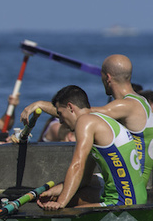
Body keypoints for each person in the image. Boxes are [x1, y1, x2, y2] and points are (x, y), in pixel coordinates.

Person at [21, 54, 153, 184]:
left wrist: (40, 105)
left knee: (68, 188)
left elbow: (81, 113)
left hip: (134, 182)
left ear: (107, 77)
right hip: (132, 178)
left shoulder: (127, 105)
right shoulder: (140, 101)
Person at [35, 85, 146, 209]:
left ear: (70, 107)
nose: (60, 121)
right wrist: (55, 191)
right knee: (72, 196)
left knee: (72, 211)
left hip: (123, 202)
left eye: (60, 114)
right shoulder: (102, 120)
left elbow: (77, 165)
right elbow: (84, 179)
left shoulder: (85, 121)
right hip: (139, 197)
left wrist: (60, 203)